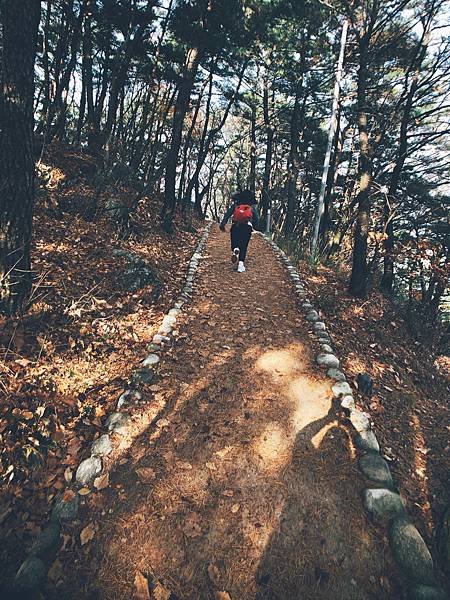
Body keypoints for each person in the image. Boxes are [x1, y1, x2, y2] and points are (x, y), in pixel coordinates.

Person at [219, 189, 259, 272]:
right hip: (247, 227)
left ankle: (235, 249)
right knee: (244, 246)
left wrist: (222, 224)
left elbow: (227, 214)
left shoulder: (236, 205)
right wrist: (256, 227)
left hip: (235, 226)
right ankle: (241, 265)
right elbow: (256, 218)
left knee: (235, 242)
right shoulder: (251, 207)